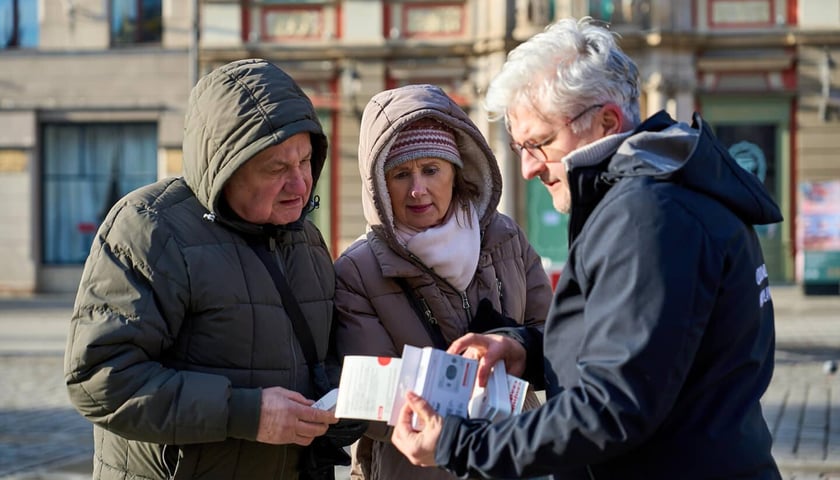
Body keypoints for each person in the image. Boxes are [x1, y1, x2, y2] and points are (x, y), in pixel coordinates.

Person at [391, 17, 784, 479]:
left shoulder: (648, 215)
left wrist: (461, 444)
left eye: (539, 143)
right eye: (520, 149)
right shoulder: (665, 188)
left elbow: (613, 406)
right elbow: (644, 349)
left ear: (607, 121)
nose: (529, 168)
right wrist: (525, 352)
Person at [64, 58, 364, 479]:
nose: (299, 184)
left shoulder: (306, 239)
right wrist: (246, 413)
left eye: (305, 161)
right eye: (277, 168)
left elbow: (315, 361)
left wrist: (348, 405)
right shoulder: (148, 228)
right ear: (226, 167)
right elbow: (99, 380)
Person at [333, 83, 553, 479]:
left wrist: (512, 343)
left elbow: (554, 339)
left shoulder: (506, 238)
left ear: (456, 171)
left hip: (513, 457)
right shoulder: (357, 270)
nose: (418, 189)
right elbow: (373, 401)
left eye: (431, 169)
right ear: (380, 185)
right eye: (401, 174)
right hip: (416, 467)